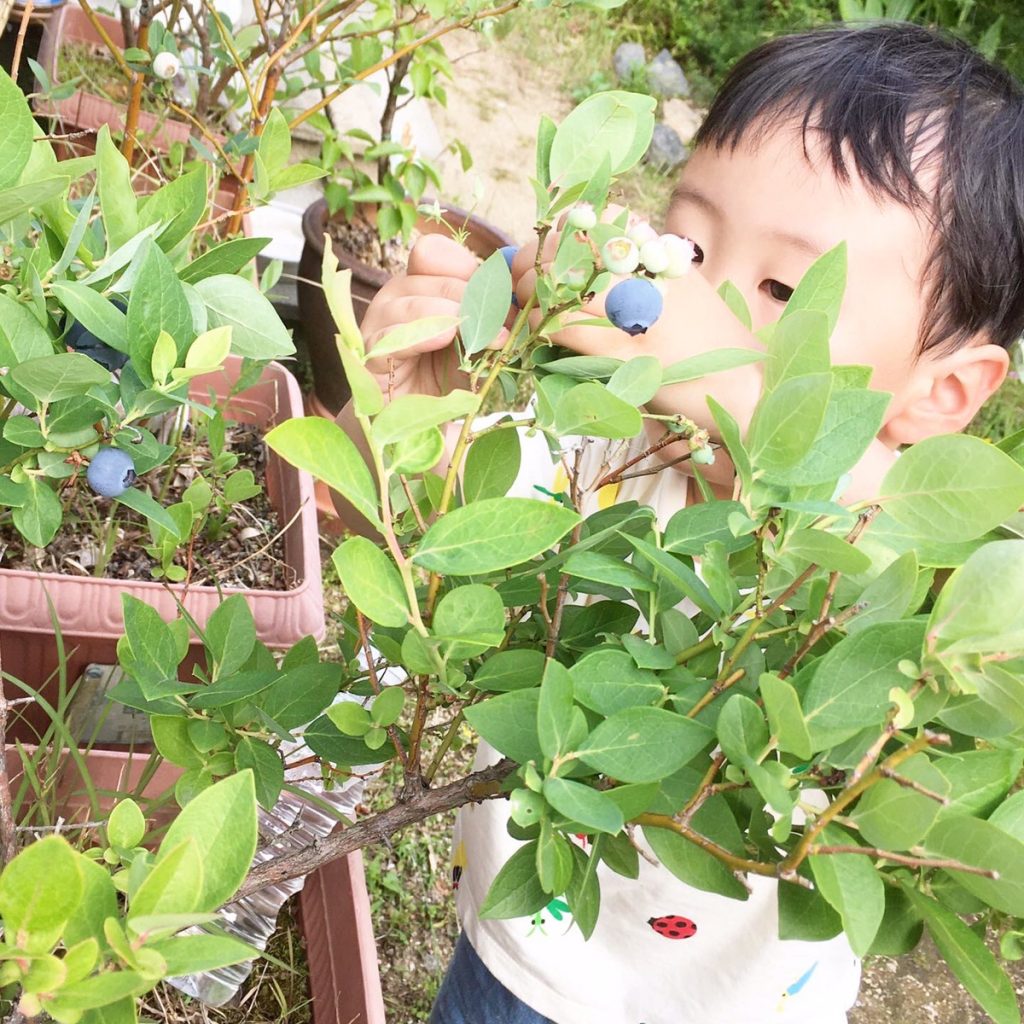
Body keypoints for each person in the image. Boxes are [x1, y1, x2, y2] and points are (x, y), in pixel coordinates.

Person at [333, 22, 1023, 1024]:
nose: (696, 295)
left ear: (941, 391)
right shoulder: (602, 455)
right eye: (690, 247)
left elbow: (887, 535)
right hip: (525, 958)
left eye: (787, 287)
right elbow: (397, 539)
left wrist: (745, 396)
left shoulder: (904, 560)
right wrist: (399, 414)